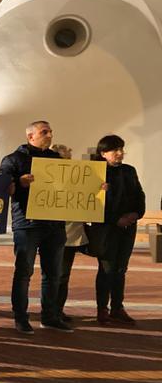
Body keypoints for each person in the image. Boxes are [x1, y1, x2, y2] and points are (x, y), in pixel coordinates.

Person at [0, 121, 71, 334]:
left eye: (50, 132)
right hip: (27, 225)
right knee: (24, 272)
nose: (49, 135)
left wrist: (95, 186)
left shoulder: (56, 159)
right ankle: (21, 317)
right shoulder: (13, 160)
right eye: (44, 132)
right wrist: (19, 182)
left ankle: (50, 316)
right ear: (30, 136)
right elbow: (2, 187)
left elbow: (69, 187)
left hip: (55, 224)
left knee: (53, 273)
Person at [91, 135, 144, 325]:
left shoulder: (129, 171)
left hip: (128, 226)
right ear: (103, 153)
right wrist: (115, 219)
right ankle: (102, 309)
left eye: (122, 149)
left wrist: (135, 214)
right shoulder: (95, 172)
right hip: (106, 228)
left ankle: (117, 307)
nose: (120, 153)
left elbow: (139, 195)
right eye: (115, 150)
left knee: (121, 268)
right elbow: (93, 204)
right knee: (107, 268)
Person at [51, 144, 86, 323]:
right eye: (62, 160)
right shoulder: (46, 180)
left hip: (71, 233)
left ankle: (58, 310)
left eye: (68, 160)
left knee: (64, 275)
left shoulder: (78, 179)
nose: (66, 164)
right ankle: (50, 310)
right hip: (52, 233)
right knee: (52, 275)